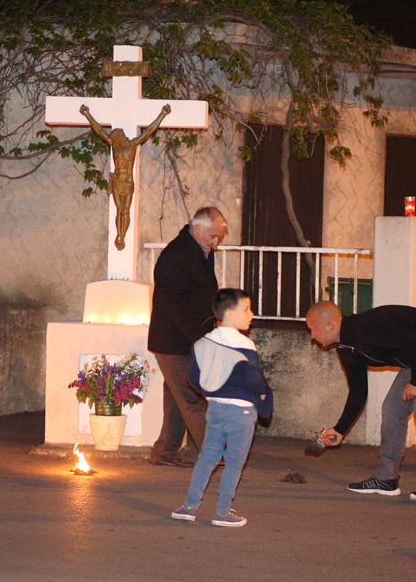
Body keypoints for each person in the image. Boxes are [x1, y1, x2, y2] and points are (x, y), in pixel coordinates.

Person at [305, 300, 416, 501]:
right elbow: (358, 391)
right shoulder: (345, 348)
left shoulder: (367, 327)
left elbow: (413, 340)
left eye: (313, 329)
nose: (312, 336)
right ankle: (385, 479)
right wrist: (340, 429)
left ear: (330, 325)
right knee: (392, 408)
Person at [170, 288, 272, 527]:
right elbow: (254, 380)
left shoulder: (203, 343)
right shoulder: (245, 344)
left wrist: (210, 392)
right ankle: (222, 512)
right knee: (234, 462)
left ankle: (189, 507)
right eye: (246, 309)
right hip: (242, 412)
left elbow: (193, 376)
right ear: (229, 314)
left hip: (215, 409)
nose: (251, 314)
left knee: (207, 458)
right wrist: (264, 401)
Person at [147, 206, 228, 467]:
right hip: (175, 342)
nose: (216, 242)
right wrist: (197, 336)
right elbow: (172, 305)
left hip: (188, 339)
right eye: (213, 236)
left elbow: (201, 295)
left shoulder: (200, 251)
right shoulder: (176, 256)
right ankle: (213, 452)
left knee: (177, 397)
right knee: (192, 397)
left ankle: (165, 451)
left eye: (218, 237)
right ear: (197, 229)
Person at [79, 103, 172, 250]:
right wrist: (87, 115)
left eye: (118, 136)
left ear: (121, 135)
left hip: (128, 182)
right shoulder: (114, 145)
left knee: (125, 210)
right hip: (117, 181)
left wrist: (162, 114)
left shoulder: (133, 144)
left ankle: (122, 235)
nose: (116, 138)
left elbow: (149, 131)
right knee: (119, 209)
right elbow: (99, 131)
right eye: (115, 137)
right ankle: (120, 236)